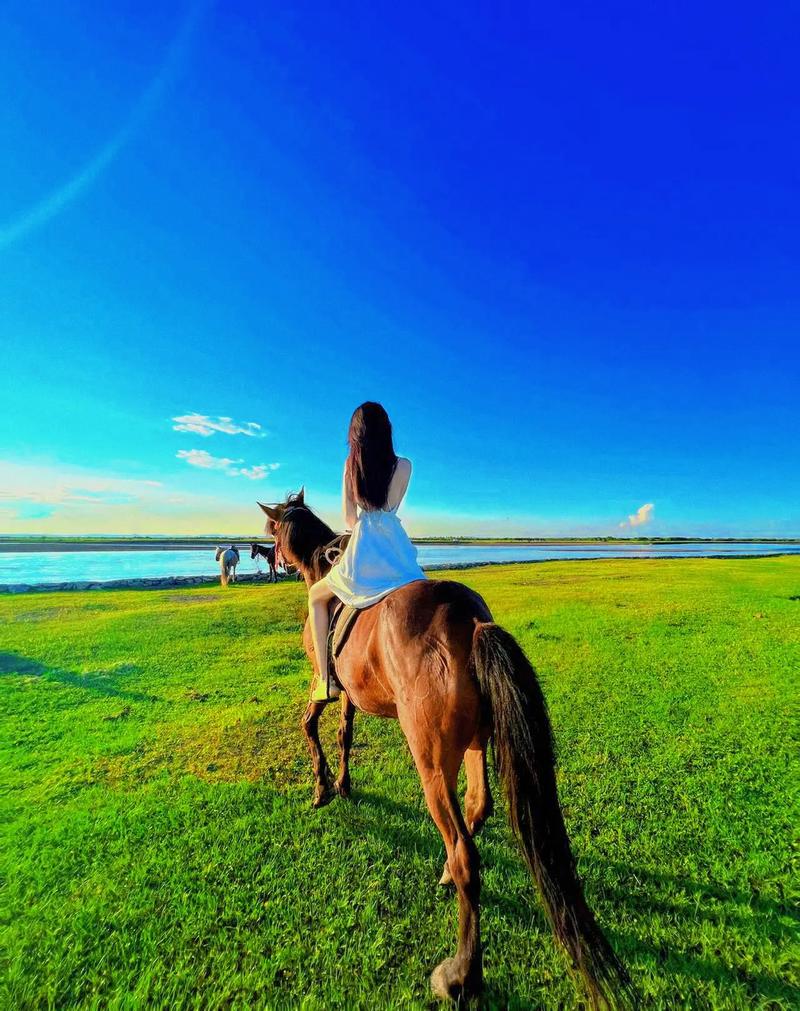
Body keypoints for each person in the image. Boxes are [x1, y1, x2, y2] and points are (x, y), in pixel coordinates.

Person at [308, 401, 426, 701]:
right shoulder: (405, 465)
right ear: (387, 431)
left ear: (356, 435)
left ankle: (325, 679)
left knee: (316, 596)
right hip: (395, 544)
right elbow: (391, 506)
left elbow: (350, 519)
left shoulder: (350, 466)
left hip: (364, 545)